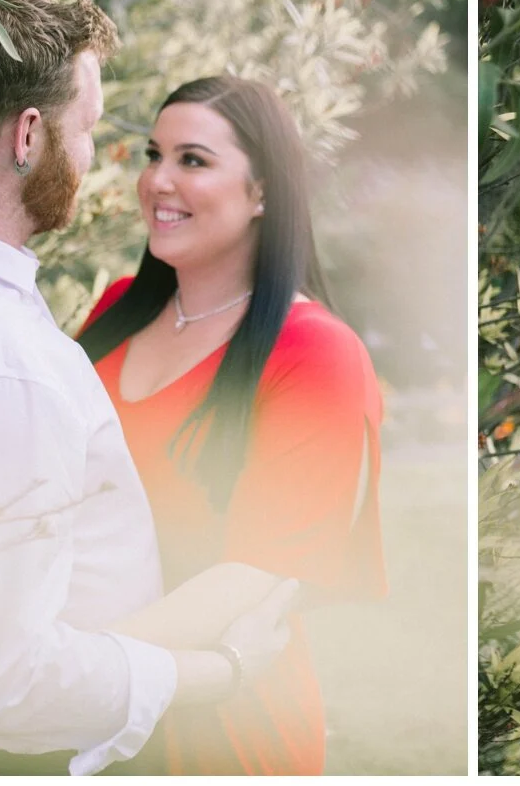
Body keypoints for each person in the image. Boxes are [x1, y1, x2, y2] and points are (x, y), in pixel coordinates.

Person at [0, 0, 297, 776]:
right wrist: (218, 672)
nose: (88, 163)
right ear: (27, 135)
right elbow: (9, 683)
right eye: (83, 132)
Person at [76, 75, 388, 775]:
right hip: (79, 709)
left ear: (264, 192)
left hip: (215, 723)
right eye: (154, 154)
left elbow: (251, 575)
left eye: (193, 160)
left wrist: (71, 673)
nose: (157, 180)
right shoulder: (116, 314)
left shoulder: (316, 354)